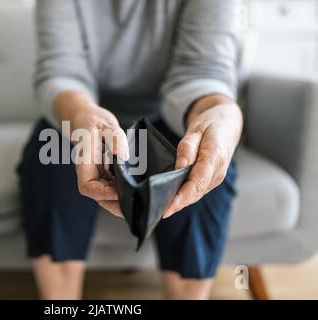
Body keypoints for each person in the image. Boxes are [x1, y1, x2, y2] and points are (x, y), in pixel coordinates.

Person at [17, 0, 243, 300]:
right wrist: (83, 114)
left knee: (200, 161)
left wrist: (222, 112)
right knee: (49, 157)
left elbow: (201, 72)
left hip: (171, 114)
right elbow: (61, 70)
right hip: (84, 112)